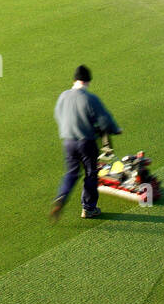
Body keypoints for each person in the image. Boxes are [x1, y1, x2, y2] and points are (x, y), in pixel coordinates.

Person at [49, 64, 121, 220]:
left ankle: (61, 196)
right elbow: (104, 120)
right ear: (88, 81)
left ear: (74, 80)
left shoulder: (63, 96)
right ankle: (88, 208)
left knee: (71, 173)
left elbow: (58, 115)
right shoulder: (89, 98)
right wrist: (115, 129)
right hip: (86, 143)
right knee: (90, 174)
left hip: (68, 142)